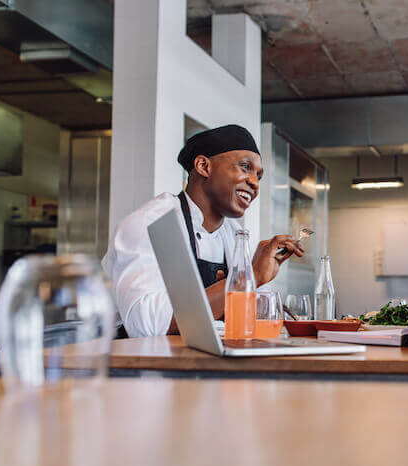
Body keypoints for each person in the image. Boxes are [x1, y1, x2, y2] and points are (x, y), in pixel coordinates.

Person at [103, 124, 304, 338]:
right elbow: (145, 325)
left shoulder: (234, 235)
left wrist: (256, 279)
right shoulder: (151, 223)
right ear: (203, 166)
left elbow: (256, 321)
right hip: (138, 364)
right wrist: (249, 277)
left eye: (259, 176)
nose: (254, 183)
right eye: (245, 167)